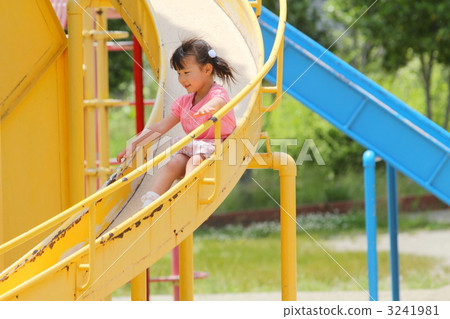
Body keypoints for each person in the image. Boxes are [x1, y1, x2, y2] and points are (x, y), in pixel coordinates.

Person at [116, 38, 236, 208]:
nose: (182, 78)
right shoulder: (183, 102)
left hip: (220, 146)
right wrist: (134, 144)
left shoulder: (216, 93)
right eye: (179, 73)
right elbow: (160, 127)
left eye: (187, 72)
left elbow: (219, 101)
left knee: (194, 161)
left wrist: (207, 108)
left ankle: (184, 195)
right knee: (174, 162)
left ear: (207, 69)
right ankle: (151, 200)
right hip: (195, 146)